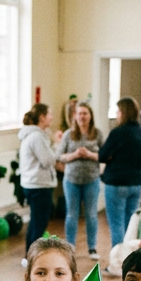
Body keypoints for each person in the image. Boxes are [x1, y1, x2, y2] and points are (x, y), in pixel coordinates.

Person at [99, 96, 141, 258]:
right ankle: (131, 259)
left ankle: (118, 261)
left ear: (124, 112)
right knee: (130, 224)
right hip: (136, 182)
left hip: (117, 182)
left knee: (116, 224)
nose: (117, 114)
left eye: (119, 111)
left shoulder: (118, 132)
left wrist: (113, 157)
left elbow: (102, 155)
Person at [58, 100, 102, 260]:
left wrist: (90, 154)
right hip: (71, 180)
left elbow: (105, 155)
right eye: (79, 113)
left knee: (91, 214)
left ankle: (92, 248)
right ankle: (69, 247)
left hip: (92, 179)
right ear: (74, 116)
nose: (82, 116)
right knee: (71, 214)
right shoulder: (68, 134)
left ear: (90, 116)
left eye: (85, 113)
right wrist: (75, 154)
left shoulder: (97, 134)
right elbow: (60, 156)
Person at [18, 103, 58, 253]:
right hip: (39, 185)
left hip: (33, 184)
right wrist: (57, 146)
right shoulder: (36, 136)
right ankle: (32, 256)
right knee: (39, 223)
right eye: (50, 115)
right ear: (42, 117)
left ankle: (30, 255)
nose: (52, 118)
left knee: (35, 222)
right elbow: (48, 160)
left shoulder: (33, 135)